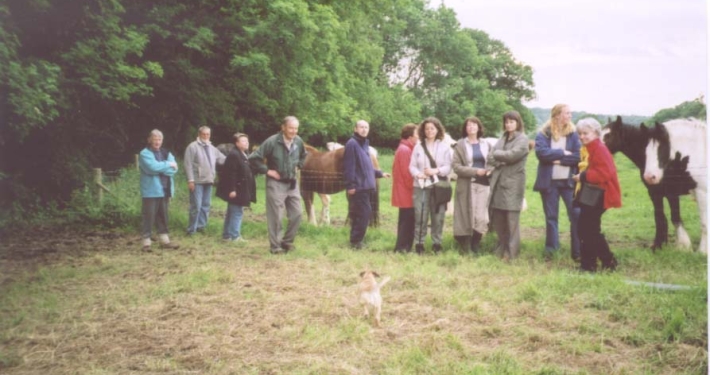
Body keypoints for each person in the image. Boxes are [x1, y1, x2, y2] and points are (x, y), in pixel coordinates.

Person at [249, 116, 308, 254]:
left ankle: (287, 242)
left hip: (292, 183)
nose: (294, 131)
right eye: (291, 128)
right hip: (276, 184)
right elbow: (253, 158)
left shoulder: (298, 141)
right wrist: (268, 171)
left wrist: (298, 165)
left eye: (296, 128)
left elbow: (304, 155)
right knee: (276, 216)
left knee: (297, 214)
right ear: (283, 127)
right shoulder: (272, 141)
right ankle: (275, 247)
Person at [533, 104, 582, 261]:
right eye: (567, 113)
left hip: (569, 183)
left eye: (570, 112)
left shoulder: (573, 134)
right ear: (557, 115)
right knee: (551, 217)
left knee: (575, 216)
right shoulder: (544, 134)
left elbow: (577, 156)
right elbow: (541, 154)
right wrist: (562, 153)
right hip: (549, 183)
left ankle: (578, 251)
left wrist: (556, 161)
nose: (570, 115)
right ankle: (551, 251)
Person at [572, 118, 621, 272]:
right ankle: (599, 263)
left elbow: (606, 173)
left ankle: (597, 264)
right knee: (587, 229)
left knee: (588, 230)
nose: (582, 137)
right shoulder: (592, 147)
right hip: (594, 194)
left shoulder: (599, 148)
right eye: (580, 134)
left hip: (600, 195)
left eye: (585, 133)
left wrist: (583, 176)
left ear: (595, 132)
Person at [487, 111, 529, 261]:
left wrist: (498, 154)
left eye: (511, 121)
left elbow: (513, 155)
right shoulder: (502, 139)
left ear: (518, 122)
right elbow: (490, 157)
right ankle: (501, 248)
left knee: (511, 220)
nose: (508, 124)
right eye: (506, 122)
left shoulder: (523, 139)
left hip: (513, 184)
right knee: (499, 218)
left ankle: (512, 253)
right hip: (498, 183)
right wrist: (500, 156)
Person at [343, 120, 391, 249]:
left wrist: (380, 173)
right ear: (355, 129)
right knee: (364, 213)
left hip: (366, 186)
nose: (364, 129)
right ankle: (356, 242)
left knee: (361, 214)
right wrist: (350, 186)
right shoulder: (352, 144)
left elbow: (366, 168)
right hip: (358, 187)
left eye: (366, 127)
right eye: (361, 127)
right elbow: (349, 167)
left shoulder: (364, 144)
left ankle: (355, 241)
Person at [409, 117, 452, 254]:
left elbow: (448, 166)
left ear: (438, 129)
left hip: (438, 186)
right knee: (420, 215)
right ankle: (419, 244)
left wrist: (436, 170)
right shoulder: (418, 146)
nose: (429, 131)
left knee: (438, 216)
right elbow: (412, 166)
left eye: (432, 128)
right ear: (423, 130)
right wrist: (418, 174)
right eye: (427, 128)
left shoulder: (445, 147)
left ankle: (437, 244)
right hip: (421, 186)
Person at [452, 117, 492, 254]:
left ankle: (476, 243)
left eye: (474, 125)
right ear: (465, 129)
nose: (471, 127)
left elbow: (492, 160)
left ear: (479, 127)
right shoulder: (460, 145)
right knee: (468, 215)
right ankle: (466, 246)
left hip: (484, 184)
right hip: (468, 184)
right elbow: (456, 167)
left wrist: (490, 169)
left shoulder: (486, 144)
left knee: (481, 217)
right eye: (468, 125)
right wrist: (475, 171)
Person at [139, 129, 179, 252]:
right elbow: (152, 168)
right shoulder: (144, 153)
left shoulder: (166, 152)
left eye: (159, 139)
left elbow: (174, 169)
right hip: (151, 191)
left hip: (165, 189)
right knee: (149, 216)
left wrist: (162, 166)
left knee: (163, 215)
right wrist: (168, 164)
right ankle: (146, 243)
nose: (157, 142)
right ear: (149, 140)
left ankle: (164, 241)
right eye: (155, 139)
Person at [184, 126, 226, 235]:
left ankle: (201, 226)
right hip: (197, 181)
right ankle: (191, 229)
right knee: (196, 206)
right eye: (204, 134)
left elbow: (222, 159)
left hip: (209, 180)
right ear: (199, 134)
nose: (206, 136)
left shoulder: (212, 147)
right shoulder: (192, 147)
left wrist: (236, 158)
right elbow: (187, 164)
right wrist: (190, 180)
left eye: (208, 134)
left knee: (206, 205)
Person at [217, 133, 256, 244]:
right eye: (243, 141)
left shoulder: (243, 154)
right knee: (237, 212)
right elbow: (230, 174)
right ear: (237, 143)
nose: (246, 143)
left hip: (241, 188)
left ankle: (226, 235)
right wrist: (232, 189)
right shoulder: (234, 155)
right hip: (236, 190)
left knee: (232, 212)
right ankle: (235, 236)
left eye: (247, 140)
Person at [392, 123, 419, 252]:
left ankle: (405, 247)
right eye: (417, 134)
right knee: (406, 222)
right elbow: (407, 174)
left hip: (405, 192)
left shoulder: (406, 148)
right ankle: (402, 248)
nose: (418, 137)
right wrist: (415, 186)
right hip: (406, 193)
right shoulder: (405, 150)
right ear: (410, 136)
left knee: (407, 221)